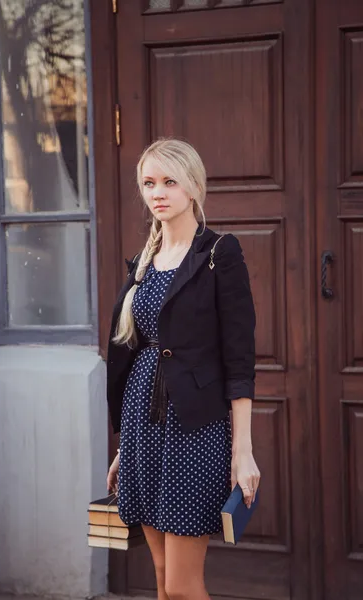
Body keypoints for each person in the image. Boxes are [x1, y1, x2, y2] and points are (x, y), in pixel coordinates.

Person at [106, 138, 260, 600]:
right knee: (159, 575)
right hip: (141, 427)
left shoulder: (218, 253)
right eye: (149, 183)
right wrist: (122, 447)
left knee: (183, 585)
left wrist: (243, 451)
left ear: (193, 186)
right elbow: (133, 353)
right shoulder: (143, 263)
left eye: (170, 181)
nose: (158, 192)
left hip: (193, 429)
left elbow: (239, 358)